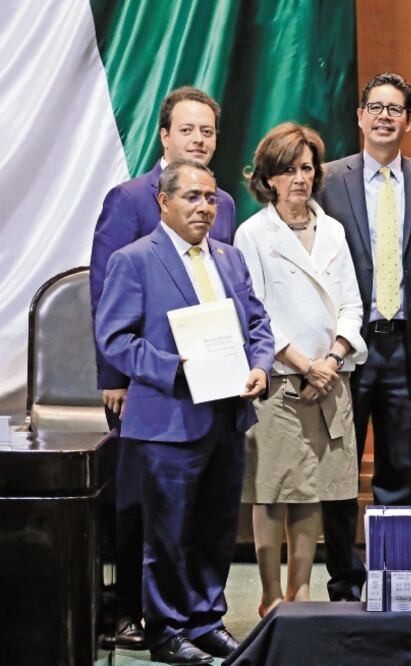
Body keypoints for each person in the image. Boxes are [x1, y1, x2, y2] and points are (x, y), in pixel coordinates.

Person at [95, 160, 273, 665]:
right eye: (192, 197)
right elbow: (115, 339)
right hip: (167, 420)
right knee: (168, 534)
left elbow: (258, 324)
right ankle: (167, 629)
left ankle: (206, 621)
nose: (204, 207)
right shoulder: (134, 259)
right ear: (164, 202)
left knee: (216, 528)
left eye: (210, 198)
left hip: (227, 416)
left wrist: (260, 366)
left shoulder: (230, 258)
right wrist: (175, 367)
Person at [88, 86, 236, 649]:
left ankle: (198, 618)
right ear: (164, 134)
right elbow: (105, 294)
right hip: (148, 385)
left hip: (215, 391)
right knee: (141, 507)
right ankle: (133, 612)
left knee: (201, 512)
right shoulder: (128, 199)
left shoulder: (222, 203)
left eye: (207, 131)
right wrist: (116, 379)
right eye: (187, 129)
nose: (198, 139)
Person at [315, 72, 411, 600]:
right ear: (360, 116)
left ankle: (394, 579)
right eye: (376, 107)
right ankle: (344, 581)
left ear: (410, 120)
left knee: (400, 469)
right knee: (340, 469)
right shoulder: (327, 179)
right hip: (346, 346)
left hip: (407, 347)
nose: (385, 117)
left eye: (395, 109)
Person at [235, 123, 367, 616]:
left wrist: (330, 360)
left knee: (314, 488)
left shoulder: (332, 230)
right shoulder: (253, 233)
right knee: (272, 489)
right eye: (288, 170)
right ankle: (271, 596)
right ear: (268, 178)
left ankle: (301, 591)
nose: (299, 178)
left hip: (331, 378)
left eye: (306, 168)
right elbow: (255, 311)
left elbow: (353, 305)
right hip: (280, 380)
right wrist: (303, 364)